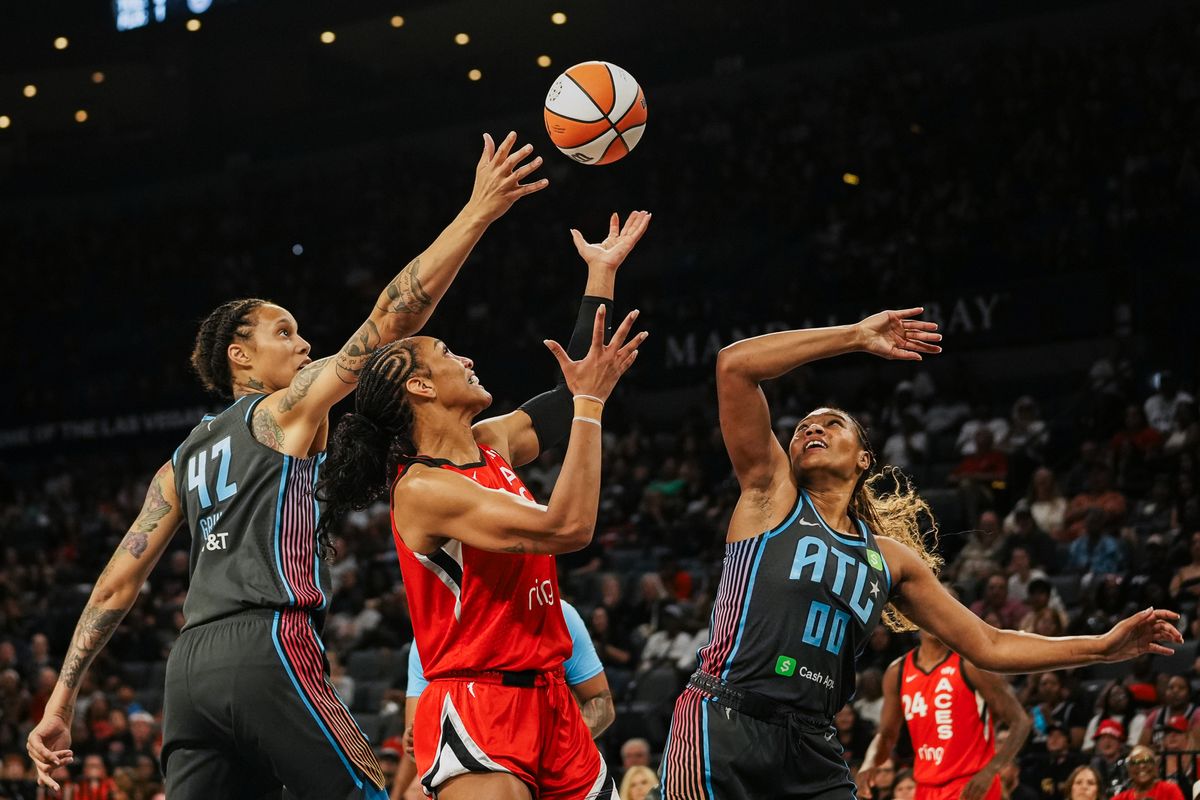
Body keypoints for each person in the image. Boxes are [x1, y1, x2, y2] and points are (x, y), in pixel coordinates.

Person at [25, 132, 549, 799]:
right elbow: (392, 318)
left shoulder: (180, 461)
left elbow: (113, 587)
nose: (303, 343)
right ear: (240, 357)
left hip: (188, 674)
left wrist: (60, 703)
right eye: (283, 332)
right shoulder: (282, 410)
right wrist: (476, 213)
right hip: (267, 641)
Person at [650, 308, 1181, 800]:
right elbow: (734, 366)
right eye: (803, 425)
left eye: (831, 422)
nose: (811, 427)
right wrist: (856, 336)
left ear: (863, 459)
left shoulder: (891, 560)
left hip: (813, 744)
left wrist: (1103, 648)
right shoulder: (769, 496)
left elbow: (990, 644)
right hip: (725, 720)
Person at [316, 211, 651, 800]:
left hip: (553, 700)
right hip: (479, 701)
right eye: (447, 353)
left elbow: (563, 390)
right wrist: (592, 404)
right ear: (419, 387)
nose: (466, 359)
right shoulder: (423, 490)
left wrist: (600, 275)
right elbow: (568, 527)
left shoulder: (490, 443)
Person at [393, 601, 617, 799]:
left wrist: (557, 744)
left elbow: (601, 702)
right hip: (483, 759)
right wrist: (416, 738)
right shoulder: (434, 632)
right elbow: (412, 739)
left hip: (566, 767)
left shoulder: (558, 613)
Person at [859, 625, 1033, 800]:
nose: (933, 614)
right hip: (925, 787)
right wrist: (869, 763)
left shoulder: (972, 664)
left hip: (971, 786)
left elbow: (1021, 721)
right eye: (928, 607)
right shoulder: (897, 672)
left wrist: (991, 770)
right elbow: (886, 734)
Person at [1140, 675, 1200, 747]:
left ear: (1189, 694)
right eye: (1171, 688)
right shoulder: (1155, 716)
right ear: (1165, 692)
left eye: (1181, 688)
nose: (1175, 691)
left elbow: (1196, 749)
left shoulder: (1197, 714)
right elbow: (1140, 748)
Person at [1113, 746, 1185, 800]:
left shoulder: (1170, 790)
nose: (1142, 766)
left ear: (1156, 767)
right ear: (1129, 770)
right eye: (1135, 762)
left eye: (1147, 761)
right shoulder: (1120, 798)